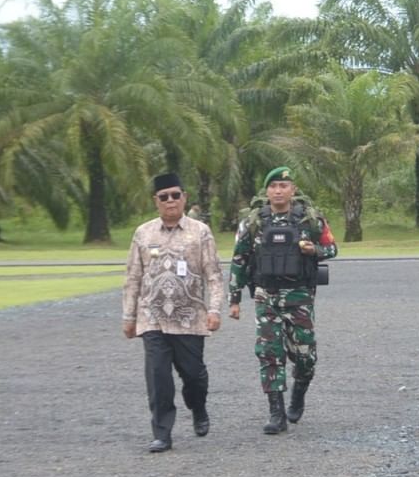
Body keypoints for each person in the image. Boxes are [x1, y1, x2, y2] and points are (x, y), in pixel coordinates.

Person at [228, 167, 337, 434]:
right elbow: (239, 260)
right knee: (269, 354)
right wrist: (234, 298)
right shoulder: (253, 223)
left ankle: (298, 393)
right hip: (266, 297)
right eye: (274, 185)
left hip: (299, 297)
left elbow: (332, 249)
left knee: (305, 357)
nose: (278, 190)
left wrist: (315, 250)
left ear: (293, 190)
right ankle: (276, 413)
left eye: (283, 186)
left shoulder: (310, 221)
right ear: (266, 191)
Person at [122, 173, 224, 453]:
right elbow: (133, 276)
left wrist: (214, 309)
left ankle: (198, 407)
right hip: (152, 317)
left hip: (189, 317)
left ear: (184, 197)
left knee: (193, 376)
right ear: (156, 201)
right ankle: (162, 432)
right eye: (164, 196)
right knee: (158, 377)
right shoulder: (143, 233)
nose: (170, 201)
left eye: (175, 195)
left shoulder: (200, 231)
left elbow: (213, 274)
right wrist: (129, 317)